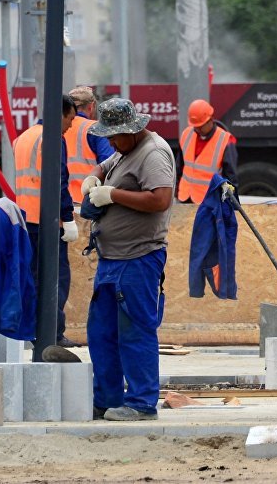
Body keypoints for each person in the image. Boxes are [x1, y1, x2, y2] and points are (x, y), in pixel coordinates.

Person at [82, 98, 176, 421]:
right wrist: (94, 177)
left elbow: (160, 199)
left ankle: (141, 403)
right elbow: (106, 164)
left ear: (132, 130)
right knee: (102, 332)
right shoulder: (126, 151)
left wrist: (112, 195)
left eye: (114, 136)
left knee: (136, 331)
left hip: (139, 259)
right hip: (112, 260)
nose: (109, 142)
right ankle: (107, 399)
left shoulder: (153, 154)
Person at [12, 94, 79, 348]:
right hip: (47, 222)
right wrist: (67, 217)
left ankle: (34, 331)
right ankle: (53, 334)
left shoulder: (25, 137)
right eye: (70, 119)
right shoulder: (52, 139)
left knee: (33, 278)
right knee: (56, 278)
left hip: (25, 219)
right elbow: (57, 181)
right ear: (59, 114)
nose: (71, 125)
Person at [177, 99, 238, 204]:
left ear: (211, 120)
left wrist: (229, 203)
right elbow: (179, 167)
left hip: (209, 201)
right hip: (184, 197)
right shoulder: (187, 134)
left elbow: (230, 177)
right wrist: (176, 190)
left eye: (201, 126)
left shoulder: (225, 140)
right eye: (195, 126)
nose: (198, 130)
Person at [66, 86, 115, 203]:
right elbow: (110, 167)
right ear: (92, 106)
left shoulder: (56, 128)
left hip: (60, 205)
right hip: (87, 204)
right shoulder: (95, 129)